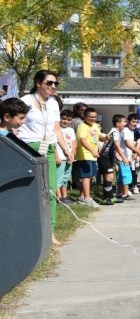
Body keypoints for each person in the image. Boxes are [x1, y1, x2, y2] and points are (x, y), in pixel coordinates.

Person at [17, 70, 71, 245]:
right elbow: (15, 125)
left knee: (50, 191)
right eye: (49, 83)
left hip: (48, 148)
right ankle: (27, 230)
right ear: (38, 83)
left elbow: (56, 130)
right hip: (28, 148)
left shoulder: (54, 103)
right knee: (30, 192)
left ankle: (50, 232)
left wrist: (65, 150)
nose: (53, 86)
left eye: (55, 83)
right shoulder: (25, 101)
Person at [74, 107, 107, 207]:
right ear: (85, 116)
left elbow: (100, 137)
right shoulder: (82, 126)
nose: (93, 119)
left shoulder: (95, 126)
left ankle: (81, 197)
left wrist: (106, 137)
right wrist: (92, 150)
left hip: (93, 155)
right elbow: (82, 140)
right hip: (85, 155)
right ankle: (87, 198)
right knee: (86, 176)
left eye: (95, 117)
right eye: (91, 117)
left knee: (89, 176)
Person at [56, 109, 77, 203]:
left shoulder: (71, 130)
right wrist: (56, 156)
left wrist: (72, 155)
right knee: (58, 178)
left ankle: (65, 196)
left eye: (68, 119)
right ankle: (59, 197)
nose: (66, 121)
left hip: (69, 158)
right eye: (63, 119)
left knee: (65, 178)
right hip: (60, 157)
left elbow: (73, 143)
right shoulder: (56, 129)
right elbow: (53, 144)